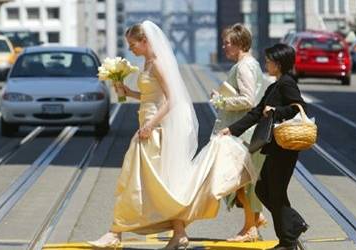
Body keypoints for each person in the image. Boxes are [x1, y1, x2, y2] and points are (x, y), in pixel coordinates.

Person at [88, 20, 258, 249]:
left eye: (133, 44)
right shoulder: (148, 63)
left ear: (145, 41)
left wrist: (150, 125)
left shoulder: (157, 64)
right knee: (161, 184)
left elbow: (171, 100)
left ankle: (115, 233)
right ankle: (178, 233)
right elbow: (152, 97)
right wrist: (128, 92)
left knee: (133, 180)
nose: (131, 49)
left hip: (154, 130)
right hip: (148, 127)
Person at [220, 43, 309, 250]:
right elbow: (256, 113)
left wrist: (276, 111)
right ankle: (293, 226)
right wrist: (232, 130)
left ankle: (287, 241)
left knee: (275, 192)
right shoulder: (274, 86)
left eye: (269, 61)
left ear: (278, 64)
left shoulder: (287, 83)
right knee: (264, 189)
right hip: (275, 148)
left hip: (285, 149)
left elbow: (300, 108)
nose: (266, 64)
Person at [211, 23, 268, 242]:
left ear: (239, 44)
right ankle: (253, 223)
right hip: (245, 131)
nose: (223, 47)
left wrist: (221, 100)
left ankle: (250, 227)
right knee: (245, 181)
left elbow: (248, 100)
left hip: (242, 132)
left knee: (236, 181)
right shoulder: (250, 64)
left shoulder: (244, 66)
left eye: (227, 43)